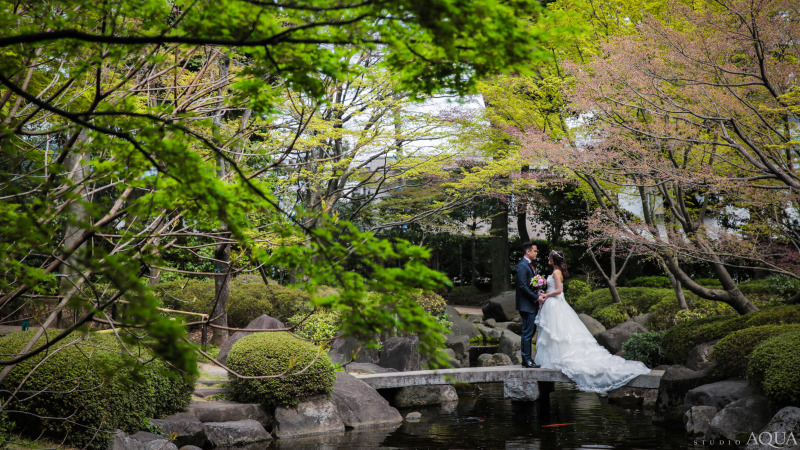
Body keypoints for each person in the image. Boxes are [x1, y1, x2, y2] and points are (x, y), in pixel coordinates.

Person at [534, 250, 651, 392]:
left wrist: (546, 294)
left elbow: (559, 290)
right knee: (553, 332)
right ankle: (552, 358)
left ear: (554, 259)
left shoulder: (557, 272)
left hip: (555, 303)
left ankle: (559, 358)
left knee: (559, 331)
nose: (548, 259)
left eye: (549, 257)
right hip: (552, 304)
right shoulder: (555, 271)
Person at [515, 241, 542, 368]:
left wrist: (539, 290)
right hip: (526, 305)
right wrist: (536, 297)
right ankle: (526, 360)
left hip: (531, 304)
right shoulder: (522, 266)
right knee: (527, 333)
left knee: (530, 332)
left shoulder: (530, 265)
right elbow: (522, 286)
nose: (536, 253)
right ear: (528, 251)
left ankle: (527, 359)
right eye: (535, 251)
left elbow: (530, 285)